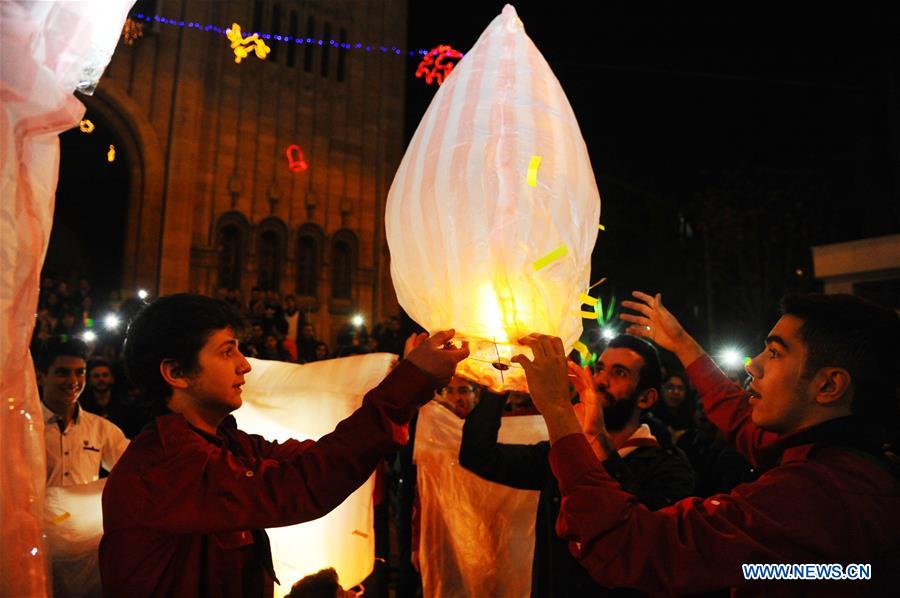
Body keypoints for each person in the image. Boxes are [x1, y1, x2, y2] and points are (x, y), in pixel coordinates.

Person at [515, 292, 900, 596]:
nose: (753, 365)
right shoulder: (845, 462)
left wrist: (558, 413)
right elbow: (740, 419)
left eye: (776, 352)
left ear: (829, 385)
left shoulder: (815, 496)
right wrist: (683, 345)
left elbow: (634, 547)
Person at [99, 294, 468, 597]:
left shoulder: (227, 443)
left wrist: (408, 381)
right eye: (227, 352)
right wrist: (410, 382)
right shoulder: (166, 467)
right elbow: (300, 485)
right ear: (175, 373)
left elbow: (317, 459)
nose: (244, 365)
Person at [459, 334, 695, 596]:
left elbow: (649, 541)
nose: (600, 381)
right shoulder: (564, 453)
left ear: (646, 398)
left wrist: (598, 441)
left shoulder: (669, 468)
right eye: (599, 369)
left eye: (619, 373)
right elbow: (478, 455)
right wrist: (500, 384)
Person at [37, 338, 129, 487]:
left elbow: (135, 468)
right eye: (63, 373)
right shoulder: (23, 428)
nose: (73, 380)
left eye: (80, 373)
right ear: (40, 377)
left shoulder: (100, 429)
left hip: (84, 511)